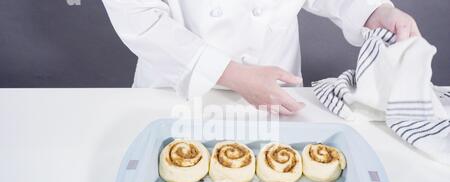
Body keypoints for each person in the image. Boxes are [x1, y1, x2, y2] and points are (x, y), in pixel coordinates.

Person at [103, 0, 420, 115]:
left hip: (274, 99)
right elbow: (139, 18)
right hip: (173, 94)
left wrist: (375, 11)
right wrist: (231, 74)